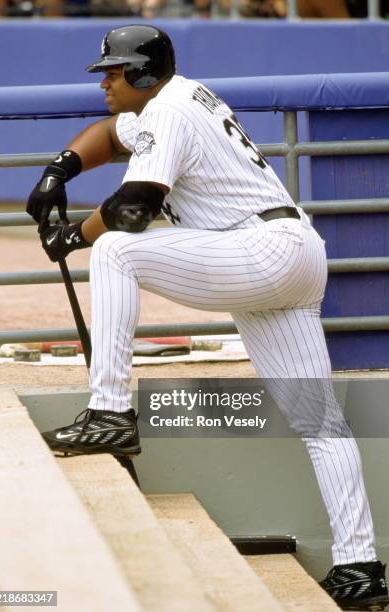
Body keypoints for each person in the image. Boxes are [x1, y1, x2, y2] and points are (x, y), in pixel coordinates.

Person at [26, 25, 388, 611]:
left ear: (143, 73)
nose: (106, 83)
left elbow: (134, 209)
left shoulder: (169, 108)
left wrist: (74, 235)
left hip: (260, 249)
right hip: (292, 251)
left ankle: (110, 411)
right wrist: (60, 169)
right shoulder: (174, 101)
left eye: (114, 73)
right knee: (321, 423)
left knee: (116, 248)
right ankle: (359, 567)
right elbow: (110, 137)